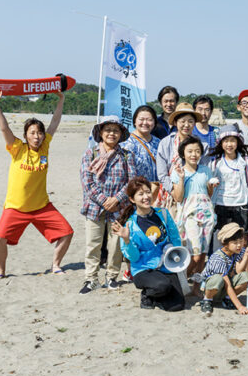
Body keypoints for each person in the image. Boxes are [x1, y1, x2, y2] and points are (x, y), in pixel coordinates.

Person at [0, 91, 73, 278]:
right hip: (15, 207)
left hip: (41, 207)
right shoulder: (17, 148)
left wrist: (61, 100)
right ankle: (1, 270)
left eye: (39, 133)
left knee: (67, 233)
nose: (37, 137)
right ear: (26, 135)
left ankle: (56, 265)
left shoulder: (45, 147)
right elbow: (5, 129)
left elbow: (55, 123)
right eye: (33, 133)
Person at [79, 116, 137, 294]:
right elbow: (87, 181)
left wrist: (117, 199)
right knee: (93, 244)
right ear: (100, 133)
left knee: (116, 244)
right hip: (95, 207)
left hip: (119, 208)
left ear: (121, 134)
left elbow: (131, 181)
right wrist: (104, 200)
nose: (112, 133)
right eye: (108, 130)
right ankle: (91, 279)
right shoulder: (91, 154)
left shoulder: (126, 155)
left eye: (115, 130)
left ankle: (111, 277)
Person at [113, 176, 185, 311]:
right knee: (162, 286)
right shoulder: (130, 225)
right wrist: (127, 240)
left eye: (147, 192)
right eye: (140, 194)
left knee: (177, 305)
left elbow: (174, 236)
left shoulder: (162, 213)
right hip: (143, 269)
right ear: (132, 199)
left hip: (165, 265)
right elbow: (133, 258)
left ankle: (159, 294)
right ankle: (147, 294)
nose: (146, 197)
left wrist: (176, 256)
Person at [171, 137, 217, 278]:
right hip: (189, 214)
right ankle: (182, 279)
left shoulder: (205, 170)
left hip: (207, 212)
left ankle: (196, 287)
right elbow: (178, 198)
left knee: (203, 254)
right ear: (183, 153)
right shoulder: (178, 171)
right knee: (195, 254)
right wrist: (181, 178)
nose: (194, 154)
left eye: (197, 151)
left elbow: (208, 194)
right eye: (190, 151)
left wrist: (211, 186)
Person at [208, 125, 248, 235]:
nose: (229, 144)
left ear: (237, 142)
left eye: (232, 141)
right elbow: (209, 183)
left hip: (241, 204)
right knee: (221, 238)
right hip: (220, 205)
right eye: (226, 141)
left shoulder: (244, 160)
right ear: (221, 143)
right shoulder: (216, 162)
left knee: (241, 238)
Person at [155, 103, 201, 208]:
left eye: (190, 121)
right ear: (175, 122)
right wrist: (175, 191)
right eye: (182, 121)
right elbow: (162, 175)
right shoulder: (165, 143)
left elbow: (203, 170)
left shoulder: (201, 145)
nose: (186, 125)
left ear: (194, 123)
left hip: (193, 197)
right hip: (170, 195)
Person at [200, 223, 248, 315]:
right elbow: (227, 284)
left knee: (246, 277)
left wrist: (246, 256)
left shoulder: (237, 251)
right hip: (212, 288)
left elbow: (239, 271)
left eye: (241, 241)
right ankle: (207, 300)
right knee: (217, 279)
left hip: (223, 287)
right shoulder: (217, 258)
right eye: (235, 243)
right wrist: (240, 306)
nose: (239, 245)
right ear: (225, 243)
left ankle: (227, 299)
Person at [121, 105, 160, 182]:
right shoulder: (126, 142)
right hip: (136, 190)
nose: (145, 123)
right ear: (135, 121)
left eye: (149, 119)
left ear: (154, 122)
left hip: (157, 190)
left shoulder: (159, 142)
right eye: (141, 119)